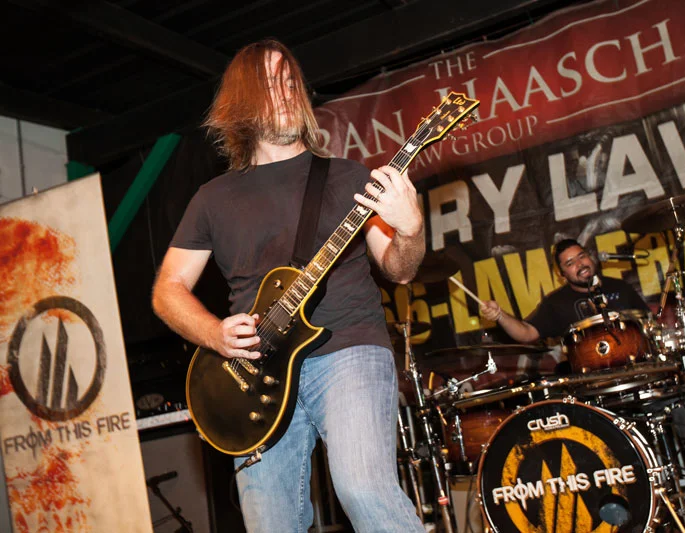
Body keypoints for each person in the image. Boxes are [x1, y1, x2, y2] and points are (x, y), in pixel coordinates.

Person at [151, 39, 426, 533]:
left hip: (348, 348)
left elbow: (400, 269)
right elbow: (167, 289)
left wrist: (410, 229)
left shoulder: (348, 177)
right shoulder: (212, 199)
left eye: (289, 80)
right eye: (269, 82)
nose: (284, 91)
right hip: (255, 374)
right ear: (241, 99)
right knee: (270, 524)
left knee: (363, 488)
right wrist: (214, 334)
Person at [480, 238, 650, 343]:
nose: (580, 264)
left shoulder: (620, 287)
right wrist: (499, 315)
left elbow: (648, 322)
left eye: (582, 256)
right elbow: (527, 333)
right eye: (570, 263)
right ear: (562, 275)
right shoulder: (556, 303)